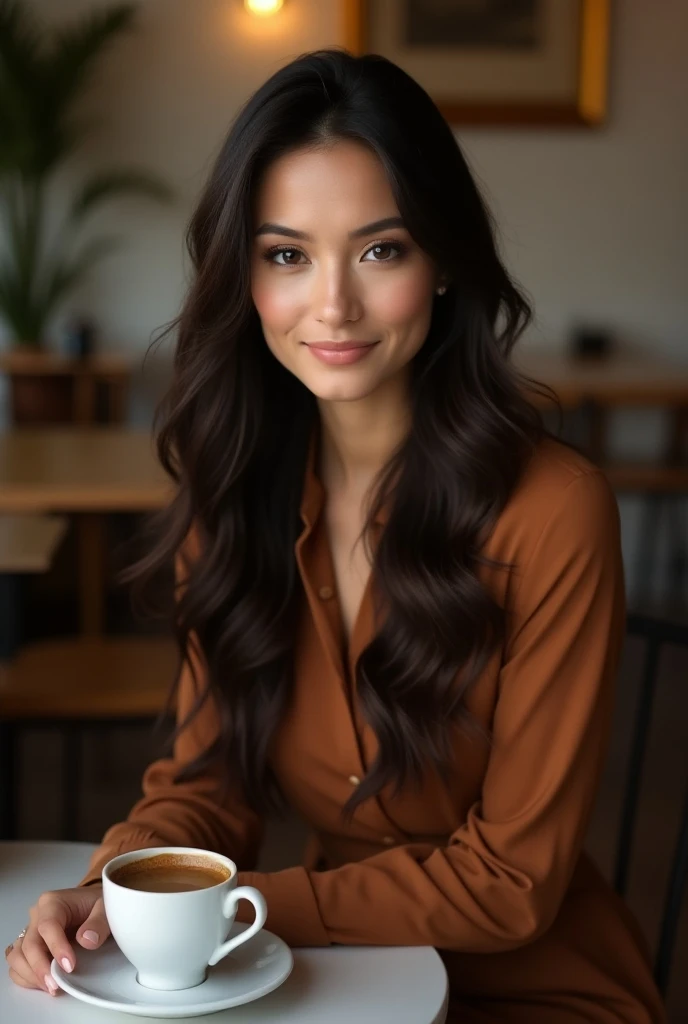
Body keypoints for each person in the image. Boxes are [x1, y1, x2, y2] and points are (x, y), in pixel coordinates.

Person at [6, 49, 664, 1022]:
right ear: (246, 277)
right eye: (286, 254)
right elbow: (205, 785)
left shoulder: (553, 510)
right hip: (338, 979)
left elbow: (511, 882)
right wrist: (118, 892)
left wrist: (247, 904)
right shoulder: (236, 494)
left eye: (379, 249)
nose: (332, 306)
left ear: (441, 263)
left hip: (537, 990)